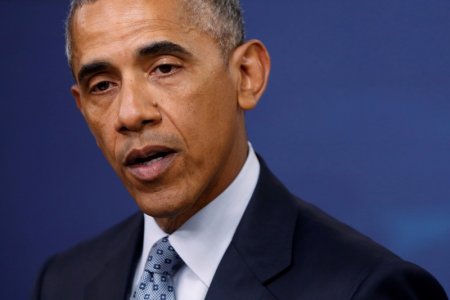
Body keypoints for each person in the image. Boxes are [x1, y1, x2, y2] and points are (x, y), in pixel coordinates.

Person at [33, 0, 448, 299]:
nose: (130, 113)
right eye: (102, 85)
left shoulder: (369, 289)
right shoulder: (62, 282)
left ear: (246, 75)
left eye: (164, 68)